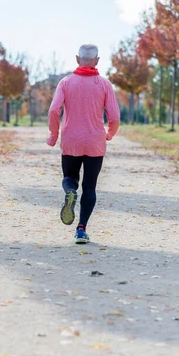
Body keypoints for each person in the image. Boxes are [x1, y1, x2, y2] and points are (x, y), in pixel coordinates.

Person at [47, 44, 121, 244]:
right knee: (90, 187)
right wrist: (109, 134)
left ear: (77, 59)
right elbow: (114, 116)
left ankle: (70, 191)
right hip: (95, 142)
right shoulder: (104, 85)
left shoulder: (65, 82)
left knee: (69, 177)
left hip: (71, 141)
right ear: (97, 61)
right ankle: (81, 230)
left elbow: (54, 110)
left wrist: (54, 135)